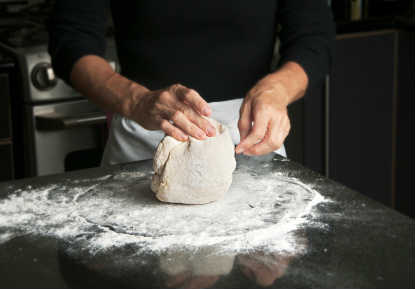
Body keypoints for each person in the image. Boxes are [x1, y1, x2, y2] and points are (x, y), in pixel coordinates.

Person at [48, 1, 335, 166]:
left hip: (250, 137)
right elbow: (71, 41)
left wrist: (277, 90)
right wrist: (136, 101)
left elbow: (314, 39)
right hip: (145, 137)